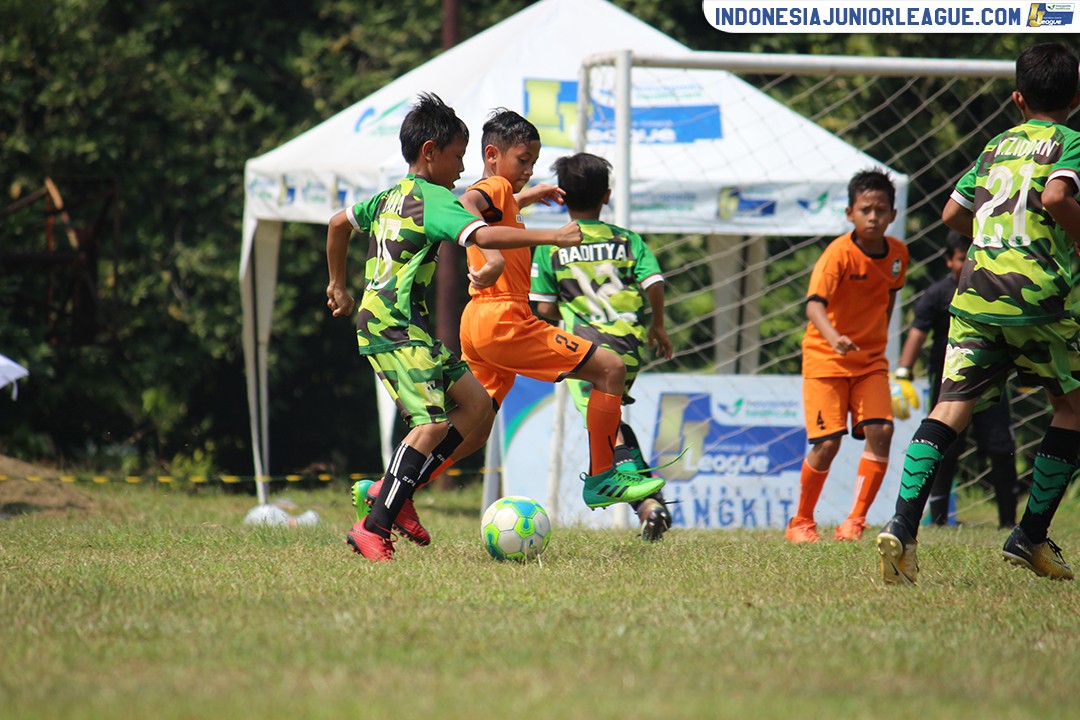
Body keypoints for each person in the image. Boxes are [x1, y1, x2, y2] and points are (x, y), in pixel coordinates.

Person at [325, 93, 582, 562]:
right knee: (431, 424)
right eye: (456, 156)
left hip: (398, 323)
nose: (462, 169)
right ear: (429, 152)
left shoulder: (390, 195)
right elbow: (482, 233)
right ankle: (375, 524)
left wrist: (338, 285)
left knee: (478, 407)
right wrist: (553, 234)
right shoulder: (436, 199)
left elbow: (338, 223)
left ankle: (394, 499)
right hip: (394, 326)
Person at [384, 109, 664, 517]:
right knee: (611, 369)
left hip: (479, 323)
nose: (528, 170)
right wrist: (508, 250)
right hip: (505, 321)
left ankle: (390, 490)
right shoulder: (493, 185)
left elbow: (487, 211)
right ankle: (605, 475)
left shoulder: (501, 194)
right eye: (523, 160)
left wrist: (525, 198)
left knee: (473, 431)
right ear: (493, 155)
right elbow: (469, 203)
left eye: (533, 162)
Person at [877, 42, 1080, 584]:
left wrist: (993, 236)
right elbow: (1059, 197)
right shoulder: (1072, 142)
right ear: (1077, 96)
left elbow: (950, 213)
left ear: (1017, 98)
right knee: (1073, 407)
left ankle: (902, 525)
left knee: (949, 409)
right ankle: (1030, 535)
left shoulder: (994, 147)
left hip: (974, 296)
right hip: (1037, 297)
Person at [529, 152, 675, 540]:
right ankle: (650, 506)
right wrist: (657, 325)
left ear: (561, 198)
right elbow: (654, 282)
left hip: (588, 349)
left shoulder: (551, 246)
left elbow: (543, 308)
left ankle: (646, 500)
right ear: (607, 195)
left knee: (606, 425)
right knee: (613, 421)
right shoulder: (628, 240)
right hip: (630, 342)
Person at [786, 168, 909, 544]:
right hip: (826, 358)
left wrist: (879, 342)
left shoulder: (898, 255)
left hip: (870, 361)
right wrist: (834, 337)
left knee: (882, 431)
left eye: (881, 210)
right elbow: (814, 307)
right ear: (849, 213)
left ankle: (854, 521)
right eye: (865, 209)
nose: (873, 217)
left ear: (893, 214)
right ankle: (801, 522)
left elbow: (888, 300)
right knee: (827, 443)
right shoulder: (837, 254)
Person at [893, 230, 1019, 529]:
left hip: (991, 386)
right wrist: (902, 374)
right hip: (949, 387)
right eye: (962, 259)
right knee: (945, 451)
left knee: (1002, 449)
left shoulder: (993, 290)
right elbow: (917, 332)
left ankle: (1009, 523)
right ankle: (937, 520)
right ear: (950, 261)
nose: (968, 265)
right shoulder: (937, 294)